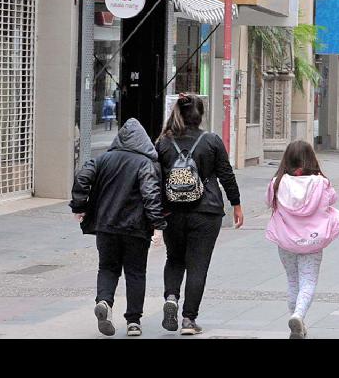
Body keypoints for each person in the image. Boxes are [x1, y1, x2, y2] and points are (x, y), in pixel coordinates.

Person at [155, 93, 243, 336]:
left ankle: (171, 296)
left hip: (172, 210)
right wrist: (236, 204)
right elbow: (226, 174)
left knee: (174, 259)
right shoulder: (211, 140)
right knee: (198, 265)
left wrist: (153, 210)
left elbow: (154, 178)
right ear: (200, 115)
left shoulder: (163, 142)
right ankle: (188, 319)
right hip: (206, 211)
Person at [70, 117, 166, 337]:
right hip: (136, 229)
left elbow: (82, 177)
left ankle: (104, 301)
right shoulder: (145, 164)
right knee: (135, 272)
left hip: (106, 226)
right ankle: (133, 322)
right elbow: (151, 195)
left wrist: (79, 206)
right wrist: (158, 226)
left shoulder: (103, 159)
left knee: (107, 268)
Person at [265, 140, 339, 339]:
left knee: (292, 281)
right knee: (308, 281)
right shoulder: (321, 183)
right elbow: (333, 199)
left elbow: (268, 201)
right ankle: (298, 315)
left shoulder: (277, 182)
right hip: (312, 241)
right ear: (311, 159)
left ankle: (297, 321)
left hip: (285, 240)